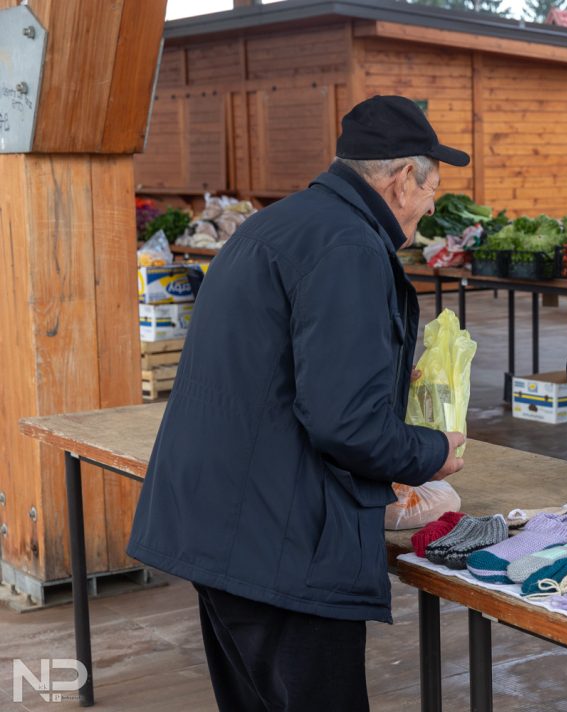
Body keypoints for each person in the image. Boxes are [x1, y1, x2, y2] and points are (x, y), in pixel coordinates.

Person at [127, 95, 469, 712]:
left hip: (224, 525)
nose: (430, 206)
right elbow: (347, 423)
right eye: (431, 190)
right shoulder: (350, 248)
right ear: (401, 179)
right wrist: (429, 452)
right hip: (280, 546)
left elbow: (287, 373)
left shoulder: (281, 222)